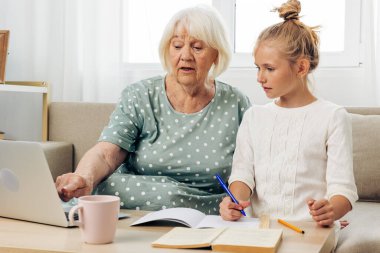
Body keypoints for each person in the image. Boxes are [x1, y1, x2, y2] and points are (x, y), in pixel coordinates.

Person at [55, 5, 251, 215]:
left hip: (209, 212)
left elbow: (251, 166)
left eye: (197, 47)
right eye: (177, 46)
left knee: (172, 198)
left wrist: (236, 203)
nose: (185, 55)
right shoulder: (140, 95)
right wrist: (85, 177)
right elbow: (106, 154)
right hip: (136, 204)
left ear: (216, 54)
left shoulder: (235, 103)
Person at [219, 0, 357, 237]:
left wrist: (331, 210)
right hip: (259, 231)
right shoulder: (254, 116)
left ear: (301, 68)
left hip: (309, 231)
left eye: (269, 68)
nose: (260, 78)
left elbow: (344, 189)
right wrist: (235, 201)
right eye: (257, 68)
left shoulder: (332, 117)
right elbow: (242, 175)